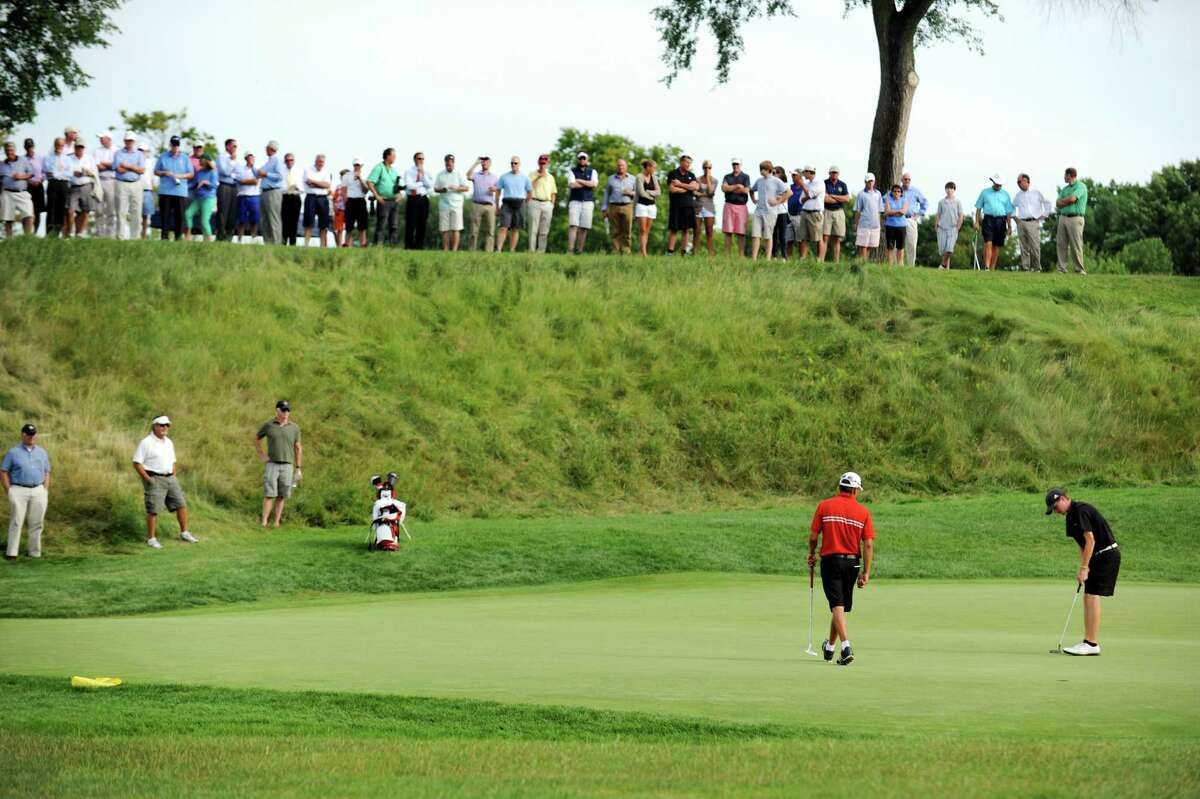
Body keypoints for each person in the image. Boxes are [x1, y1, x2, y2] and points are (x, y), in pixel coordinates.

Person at [808, 471, 875, 666]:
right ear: (855, 489)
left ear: (840, 487)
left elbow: (813, 537)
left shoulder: (824, 506)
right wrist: (866, 573)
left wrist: (812, 554)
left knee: (837, 604)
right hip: (853, 563)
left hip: (831, 561)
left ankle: (846, 647)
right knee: (840, 606)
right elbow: (868, 545)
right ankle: (829, 648)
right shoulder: (863, 512)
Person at [1045, 488, 1120, 656]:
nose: (1056, 512)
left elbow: (1090, 540)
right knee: (1088, 595)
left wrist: (1085, 568)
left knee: (1092, 595)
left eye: (1056, 507)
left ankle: (1092, 644)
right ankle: (1088, 641)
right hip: (1096, 557)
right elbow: (1081, 545)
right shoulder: (1070, 517)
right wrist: (1083, 567)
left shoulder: (1081, 510)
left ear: (1063, 499)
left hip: (1107, 554)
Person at [131, 415, 197, 549]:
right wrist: (148, 479)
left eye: (167, 425)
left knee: (181, 505)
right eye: (162, 425)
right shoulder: (146, 442)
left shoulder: (169, 442)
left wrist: (173, 474)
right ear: (154, 426)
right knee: (153, 510)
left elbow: (173, 460)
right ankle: (151, 539)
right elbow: (137, 463)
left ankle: (184, 533)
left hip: (170, 478)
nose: (165, 427)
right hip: (155, 478)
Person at [2, 424, 50, 561]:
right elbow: (4, 471)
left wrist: (45, 489)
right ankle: (12, 553)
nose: (32, 437)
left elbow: (47, 471)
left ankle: (34, 552)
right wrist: (9, 490)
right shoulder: (13, 452)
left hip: (38, 489)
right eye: (29, 434)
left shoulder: (42, 452)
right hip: (18, 489)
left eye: (34, 434)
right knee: (16, 521)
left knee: (37, 522)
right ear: (22, 435)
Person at [255, 400, 303, 528]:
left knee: (282, 495)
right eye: (283, 410)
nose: (286, 413)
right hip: (272, 464)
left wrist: (298, 468)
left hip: (287, 465)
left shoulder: (294, 427)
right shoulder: (269, 425)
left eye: (288, 410)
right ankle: (264, 522)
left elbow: (298, 447)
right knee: (269, 493)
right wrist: (261, 454)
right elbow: (257, 438)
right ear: (277, 411)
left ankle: (276, 522)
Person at [749, 160, 790, 261]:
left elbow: (789, 193)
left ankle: (768, 259)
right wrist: (753, 199)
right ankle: (754, 259)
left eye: (762, 169)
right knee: (755, 235)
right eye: (760, 169)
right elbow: (751, 190)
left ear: (768, 170)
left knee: (768, 236)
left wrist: (778, 202)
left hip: (770, 212)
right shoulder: (759, 180)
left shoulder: (776, 181)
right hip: (758, 211)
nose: (761, 171)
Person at [1012, 173, 1053, 273]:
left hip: (1033, 222)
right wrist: (1015, 218)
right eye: (1017, 182)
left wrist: (1044, 215)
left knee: (1035, 246)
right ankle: (1026, 268)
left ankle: (1037, 268)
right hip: (1021, 222)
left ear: (1026, 181)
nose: (1018, 184)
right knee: (1023, 247)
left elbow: (1048, 202)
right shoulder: (1018, 195)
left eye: (1019, 181)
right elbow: (1011, 206)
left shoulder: (1037, 192)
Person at [154, 135, 192, 241]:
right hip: (165, 191)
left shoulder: (185, 158)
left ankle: (178, 237)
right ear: (170, 144)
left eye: (177, 145)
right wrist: (164, 172)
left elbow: (191, 174)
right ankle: (164, 237)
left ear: (179, 146)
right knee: (165, 216)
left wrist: (181, 176)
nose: (175, 147)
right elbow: (156, 171)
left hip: (180, 192)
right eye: (173, 145)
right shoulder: (163, 156)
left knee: (179, 216)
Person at [974, 174, 1014, 271]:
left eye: (1000, 184)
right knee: (988, 242)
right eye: (997, 184)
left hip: (1001, 221)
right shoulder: (984, 193)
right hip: (988, 220)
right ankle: (987, 266)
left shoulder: (1006, 194)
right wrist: (977, 222)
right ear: (993, 182)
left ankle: (992, 267)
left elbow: (1009, 212)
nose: (999, 186)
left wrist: (1009, 226)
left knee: (996, 245)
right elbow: (978, 208)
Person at [112, 132, 146, 240]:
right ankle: (120, 236)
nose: (129, 142)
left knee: (136, 211)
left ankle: (135, 237)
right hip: (121, 184)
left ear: (134, 141)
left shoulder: (140, 154)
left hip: (136, 184)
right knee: (121, 211)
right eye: (127, 140)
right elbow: (119, 170)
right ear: (124, 141)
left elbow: (141, 170)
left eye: (131, 140)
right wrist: (134, 168)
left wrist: (128, 165)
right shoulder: (118, 153)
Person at [1055, 167, 1089, 275]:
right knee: (1061, 244)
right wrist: (1068, 201)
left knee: (1076, 244)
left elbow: (1073, 199)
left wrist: (1065, 201)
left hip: (1076, 218)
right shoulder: (1065, 189)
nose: (1064, 177)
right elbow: (1057, 203)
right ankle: (1062, 269)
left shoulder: (1081, 186)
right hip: (1063, 217)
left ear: (1070, 175)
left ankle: (1079, 270)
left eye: (1065, 175)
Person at [433, 154, 469, 252]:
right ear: (445, 163)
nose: (449, 164)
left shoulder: (458, 174)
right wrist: (442, 190)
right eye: (447, 162)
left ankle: (454, 250)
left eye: (451, 162)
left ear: (453, 163)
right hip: (444, 204)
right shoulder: (440, 174)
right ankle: (445, 249)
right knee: (445, 229)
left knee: (456, 228)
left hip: (457, 205)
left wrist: (457, 188)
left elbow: (466, 188)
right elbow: (435, 189)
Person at [565, 152, 599, 254]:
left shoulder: (592, 171)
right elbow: (572, 185)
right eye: (580, 158)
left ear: (587, 160)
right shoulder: (572, 171)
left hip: (588, 202)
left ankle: (580, 250)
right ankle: (570, 249)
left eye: (584, 158)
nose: (582, 160)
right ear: (578, 160)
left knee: (584, 227)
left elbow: (594, 184)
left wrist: (579, 180)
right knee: (573, 225)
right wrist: (587, 183)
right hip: (575, 201)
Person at [496, 156, 531, 252]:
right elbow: (498, 191)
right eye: (512, 163)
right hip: (507, 202)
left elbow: (529, 192)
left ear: (519, 164)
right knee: (503, 227)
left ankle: (512, 250)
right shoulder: (503, 177)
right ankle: (498, 250)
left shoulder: (525, 177)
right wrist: (496, 205)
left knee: (516, 228)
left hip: (520, 203)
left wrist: (525, 203)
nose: (513, 165)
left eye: (515, 163)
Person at [0, 141, 36, 237]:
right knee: (8, 219)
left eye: (11, 150)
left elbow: (31, 173)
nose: (9, 152)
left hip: (22, 192)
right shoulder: (1, 164)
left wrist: (21, 177)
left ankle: (28, 238)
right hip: (7, 193)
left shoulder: (23, 160)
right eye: (7, 150)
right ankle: (9, 241)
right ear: (5, 152)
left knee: (28, 214)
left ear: (15, 150)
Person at [666, 154, 699, 255]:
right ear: (681, 162)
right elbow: (672, 189)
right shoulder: (673, 174)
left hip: (688, 205)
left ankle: (683, 252)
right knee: (674, 229)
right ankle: (670, 252)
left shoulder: (691, 175)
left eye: (690, 163)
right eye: (687, 162)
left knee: (686, 229)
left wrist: (680, 184)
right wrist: (687, 188)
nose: (688, 165)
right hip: (676, 205)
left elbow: (695, 187)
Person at [602, 158, 636, 255]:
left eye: (622, 165)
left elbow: (638, 194)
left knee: (627, 230)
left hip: (628, 206)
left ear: (626, 167)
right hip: (614, 206)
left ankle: (626, 250)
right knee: (615, 230)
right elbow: (606, 194)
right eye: (619, 165)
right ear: (616, 167)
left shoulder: (633, 179)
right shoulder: (610, 179)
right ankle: (615, 250)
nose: (620, 167)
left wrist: (630, 193)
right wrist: (604, 208)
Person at [789, 166, 824, 259]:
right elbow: (801, 199)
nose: (803, 174)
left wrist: (803, 185)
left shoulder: (819, 182)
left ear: (809, 172)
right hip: (804, 212)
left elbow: (811, 195)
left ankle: (819, 259)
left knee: (818, 238)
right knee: (803, 237)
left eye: (804, 172)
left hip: (815, 213)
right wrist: (808, 195)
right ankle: (803, 259)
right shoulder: (808, 184)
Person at [367, 148, 400, 246]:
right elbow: (369, 182)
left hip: (394, 201)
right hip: (384, 201)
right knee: (381, 224)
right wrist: (377, 196)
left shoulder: (394, 170)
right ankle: (378, 245)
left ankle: (393, 246)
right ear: (388, 156)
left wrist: (400, 194)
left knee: (394, 225)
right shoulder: (379, 168)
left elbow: (396, 185)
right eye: (393, 156)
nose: (395, 158)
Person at [65, 139, 97, 238]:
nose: (79, 149)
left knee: (85, 210)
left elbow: (95, 173)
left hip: (86, 186)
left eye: (81, 147)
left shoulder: (89, 158)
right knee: (70, 210)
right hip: (73, 186)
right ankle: (70, 232)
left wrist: (87, 172)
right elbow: (64, 172)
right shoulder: (68, 158)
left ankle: (79, 232)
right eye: (78, 147)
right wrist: (73, 173)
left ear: (84, 148)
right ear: (74, 148)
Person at [466, 156, 499, 252]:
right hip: (477, 205)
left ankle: (488, 251)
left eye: (487, 162)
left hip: (490, 206)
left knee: (490, 231)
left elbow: (498, 190)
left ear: (490, 164)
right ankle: (471, 250)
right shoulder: (476, 175)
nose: (484, 163)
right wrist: (475, 163)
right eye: (483, 162)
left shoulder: (494, 177)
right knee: (473, 230)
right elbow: (468, 175)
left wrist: (495, 189)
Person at [256, 140, 286, 244]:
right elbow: (258, 173)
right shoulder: (268, 162)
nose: (265, 149)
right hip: (264, 192)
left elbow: (280, 176)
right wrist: (252, 167)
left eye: (267, 147)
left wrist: (266, 174)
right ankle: (268, 242)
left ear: (271, 149)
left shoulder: (277, 160)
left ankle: (276, 243)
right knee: (264, 219)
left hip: (273, 191)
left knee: (273, 218)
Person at [183, 153, 218, 241]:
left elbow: (214, 185)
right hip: (198, 199)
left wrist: (205, 182)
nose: (199, 161)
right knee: (188, 213)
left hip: (208, 199)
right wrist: (183, 186)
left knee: (204, 221)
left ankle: (208, 239)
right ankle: (188, 235)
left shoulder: (213, 172)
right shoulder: (199, 172)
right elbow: (194, 184)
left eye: (201, 159)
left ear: (206, 161)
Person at [403, 152, 434, 249]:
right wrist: (421, 183)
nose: (421, 161)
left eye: (422, 159)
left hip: (423, 198)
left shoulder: (427, 171)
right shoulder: (409, 171)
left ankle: (419, 246)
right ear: (415, 159)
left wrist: (422, 174)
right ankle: (409, 245)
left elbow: (429, 185)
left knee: (422, 223)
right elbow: (409, 186)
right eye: (419, 158)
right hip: (412, 198)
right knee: (411, 223)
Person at [721, 158, 751, 256]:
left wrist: (730, 188)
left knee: (741, 233)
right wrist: (737, 186)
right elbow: (723, 188)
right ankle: (727, 256)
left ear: (741, 165)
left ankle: (741, 256)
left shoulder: (746, 177)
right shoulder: (727, 176)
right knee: (728, 232)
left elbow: (746, 190)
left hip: (741, 206)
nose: (735, 166)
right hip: (729, 205)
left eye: (737, 164)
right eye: (734, 164)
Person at [301, 153, 332, 247]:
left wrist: (314, 182)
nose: (321, 164)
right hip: (311, 197)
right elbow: (308, 182)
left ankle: (323, 246)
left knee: (323, 224)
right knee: (309, 223)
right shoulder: (308, 169)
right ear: (315, 161)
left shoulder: (326, 171)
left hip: (323, 198)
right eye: (319, 161)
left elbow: (327, 185)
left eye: (322, 162)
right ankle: (306, 245)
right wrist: (321, 184)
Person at [821, 166, 851, 262]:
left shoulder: (842, 184)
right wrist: (839, 199)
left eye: (836, 173)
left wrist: (833, 196)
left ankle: (836, 261)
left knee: (837, 238)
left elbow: (847, 199)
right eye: (832, 173)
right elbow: (825, 199)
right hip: (827, 211)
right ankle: (821, 260)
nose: (834, 174)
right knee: (825, 237)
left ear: (838, 174)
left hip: (839, 212)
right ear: (829, 173)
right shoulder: (824, 183)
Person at [43, 138, 72, 238]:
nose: (60, 147)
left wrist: (58, 172)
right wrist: (59, 172)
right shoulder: (48, 157)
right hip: (53, 183)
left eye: (61, 145)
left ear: (64, 146)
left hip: (64, 184)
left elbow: (69, 173)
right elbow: (48, 171)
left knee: (61, 208)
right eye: (58, 145)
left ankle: (58, 231)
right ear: (55, 145)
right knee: (51, 207)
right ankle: (49, 231)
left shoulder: (67, 159)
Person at [528, 154, 557, 254]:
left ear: (547, 164)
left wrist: (552, 205)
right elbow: (529, 188)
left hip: (547, 204)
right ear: (538, 163)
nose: (542, 165)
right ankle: (531, 251)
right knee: (533, 229)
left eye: (544, 163)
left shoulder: (551, 177)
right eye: (541, 163)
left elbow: (553, 192)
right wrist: (539, 177)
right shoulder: (532, 174)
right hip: (534, 202)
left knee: (544, 230)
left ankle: (541, 251)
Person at [899, 172, 927, 266]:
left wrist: (918, 215)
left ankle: (911, 266)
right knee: (898, 245)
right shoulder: (897, 190)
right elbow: (885, 200)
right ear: (901, 180)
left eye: (908, 179)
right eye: (905, 179)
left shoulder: (915, 191)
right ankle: (898, 266)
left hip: (911, 220)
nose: (907, 181)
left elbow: (925, 203)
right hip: (898, 220)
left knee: (911, 245)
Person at [634, 158, 661, 257]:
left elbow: (659, 192)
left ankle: (641, 252)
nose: (655, 170)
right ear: (648, 167)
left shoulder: (654, 177)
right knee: (643, 230)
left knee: (647, 231)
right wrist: (652, 195)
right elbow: (641, 193)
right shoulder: (639, 177)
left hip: (652, 206)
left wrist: (649, 192)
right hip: (641, 205)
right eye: (654, 168)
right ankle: (644, 253)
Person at [853, 173, 883, 260]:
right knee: (863, 245)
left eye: (872, 181)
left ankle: (864, 261)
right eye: (868, 181)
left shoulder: (878, 194)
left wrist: (879, 224)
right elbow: (858, 210)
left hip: (875, 225)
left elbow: (879, 210)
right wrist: (855, 223)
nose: (870, 183)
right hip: (864, 224)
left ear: (874, 181)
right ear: (865, 182)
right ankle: (862, 262)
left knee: (871, 245)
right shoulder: (861, 194)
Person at [93, 132, 117, 238]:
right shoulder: (97, 151)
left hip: (112, 181)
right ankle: (100, 234)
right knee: (99, 209)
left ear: (108, 139)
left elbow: (116, 165)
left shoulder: (116, 150)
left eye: (102, 138)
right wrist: (109, 165)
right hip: (99, 180)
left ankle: (110, 234)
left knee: (111, 208)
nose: (101, 140)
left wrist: (105, 164)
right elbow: (96, 166)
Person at [935, 182, 964, 269]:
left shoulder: (958, 202)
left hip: (953, 228)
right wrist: (936, 225)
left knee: (950, 249)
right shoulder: (941, 202)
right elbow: (938, 214)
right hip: (942, 227)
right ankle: (946, 268)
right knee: (943, 250)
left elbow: (961, 215)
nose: (949, 190)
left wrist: (958, 227)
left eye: (951, 188)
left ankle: (943, 265)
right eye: (947, 188)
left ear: (954, 190)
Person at [342, 158, 369, 248]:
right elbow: (344, 190)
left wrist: (360, 179)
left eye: (358, 165)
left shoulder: (365, 175)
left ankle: (363, 244)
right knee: (349, 226)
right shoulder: (346, 175)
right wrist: (346, 201)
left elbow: (365, 190)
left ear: (361, 165)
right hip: (350, 201)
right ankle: (347, 244)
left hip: (361, 200)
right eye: (355, 165)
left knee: (362, 225)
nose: (356, 166)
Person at [216, 138, 239, 241]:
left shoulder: (235, 159)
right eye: (234, 146)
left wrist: (232, 170)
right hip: (224, 186)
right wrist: (232, 162)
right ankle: (220, 236)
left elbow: (238, 173)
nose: (235, 148)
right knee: (223, 212)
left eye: (236, 146)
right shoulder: (222, 157)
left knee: (232, 212)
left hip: (234, 187)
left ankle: (229, 237)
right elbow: (224, 171)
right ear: (228, 146)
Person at [235, 152, 261, 243]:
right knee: (241, 220)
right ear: (245, 158)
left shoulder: (257, 169)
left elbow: (256, 182)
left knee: (254, 220)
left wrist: (248, 181)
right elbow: (241, 181)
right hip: (242, 196)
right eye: (249, 157)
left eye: (252, 157)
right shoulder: (240, 169)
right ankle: (239, 240)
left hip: (254, 197)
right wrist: (251, 181)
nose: (251, 159)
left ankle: (254, 240)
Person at [693, 160, 717, 256]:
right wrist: (704, 194)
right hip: (698, 207)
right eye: (705, 167)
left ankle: (710, 255)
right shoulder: (697, 179)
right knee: (696, 231)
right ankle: (695, 254)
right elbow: (694, 193)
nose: (707, 169)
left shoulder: (714, 180)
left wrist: (707, 178)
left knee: (709, 232)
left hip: (709, 208)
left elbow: (711, 193)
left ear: (711, 168)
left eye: (709, 167)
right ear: (703, 168)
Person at [280, 153, 303, 245]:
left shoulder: (299, 171)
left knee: (294, 222)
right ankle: (283, 243)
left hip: (295, 197)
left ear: (294, 161)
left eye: (291, 160)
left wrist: (298, 187)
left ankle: (293, 244)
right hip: (284, 197)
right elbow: (279, 186)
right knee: (284, 222)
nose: (289, 162)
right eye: (287, 160)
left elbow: (304, 187)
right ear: (284, 161)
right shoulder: (281, 171)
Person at [883, 183, 909, 265]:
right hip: (890, 226)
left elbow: (903, 212)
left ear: (901, 193)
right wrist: (898, 211)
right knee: (890, 247)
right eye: (895, 191)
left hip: (901, 226)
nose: (897, 193)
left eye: (898, 191)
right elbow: (887, 212)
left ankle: (900, 265)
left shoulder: (904, 200)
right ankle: (889, 266)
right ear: (892, 192)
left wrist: (893, 211)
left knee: (900, 247)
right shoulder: (888, 200)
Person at [23, 138, 45, 234]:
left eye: (31, 147)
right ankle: (27, 233)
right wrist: (30, 181)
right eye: (28, 147)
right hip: (27, 187)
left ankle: (35, 232)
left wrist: (40, 179)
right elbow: (21, 173)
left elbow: (44, 172)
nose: (30, 149)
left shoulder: (40, 158)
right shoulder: (22, 159)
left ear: (33, 146)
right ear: (25, 148)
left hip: (39, 186)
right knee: (27, 211)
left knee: (37, 211)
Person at [771, 165, 791, 260]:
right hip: (773, 212)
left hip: (782, 212)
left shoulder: (785, 185)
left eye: (777, 172)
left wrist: (779, 198)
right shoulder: (770, 184)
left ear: (782, 174)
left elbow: (786, 196)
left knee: (782, 235)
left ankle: (784, 256)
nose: (775, 174)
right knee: (773, 234)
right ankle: (773, 255)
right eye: (773, 172)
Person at [139, 143, 157, 240]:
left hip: (147, 190)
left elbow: (153, 178)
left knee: (146, 215)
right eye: (140, 150)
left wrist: (154, 187)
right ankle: (136, 235)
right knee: (136, 214)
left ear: (147, 152)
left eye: (143, 151)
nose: (141, 153)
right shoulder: (135, 160)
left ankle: (144, 235)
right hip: (136, 189)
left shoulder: (151, 162)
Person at [332, 168, 348, 247]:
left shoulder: (351, 186)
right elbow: (334, 198)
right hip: (339, 210)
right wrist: (334, 207)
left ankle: (347, 244)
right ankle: (339, 245)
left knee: (348, 228)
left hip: (348, 209)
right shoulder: (338, 186)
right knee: (339, 229)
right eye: (342, 176)